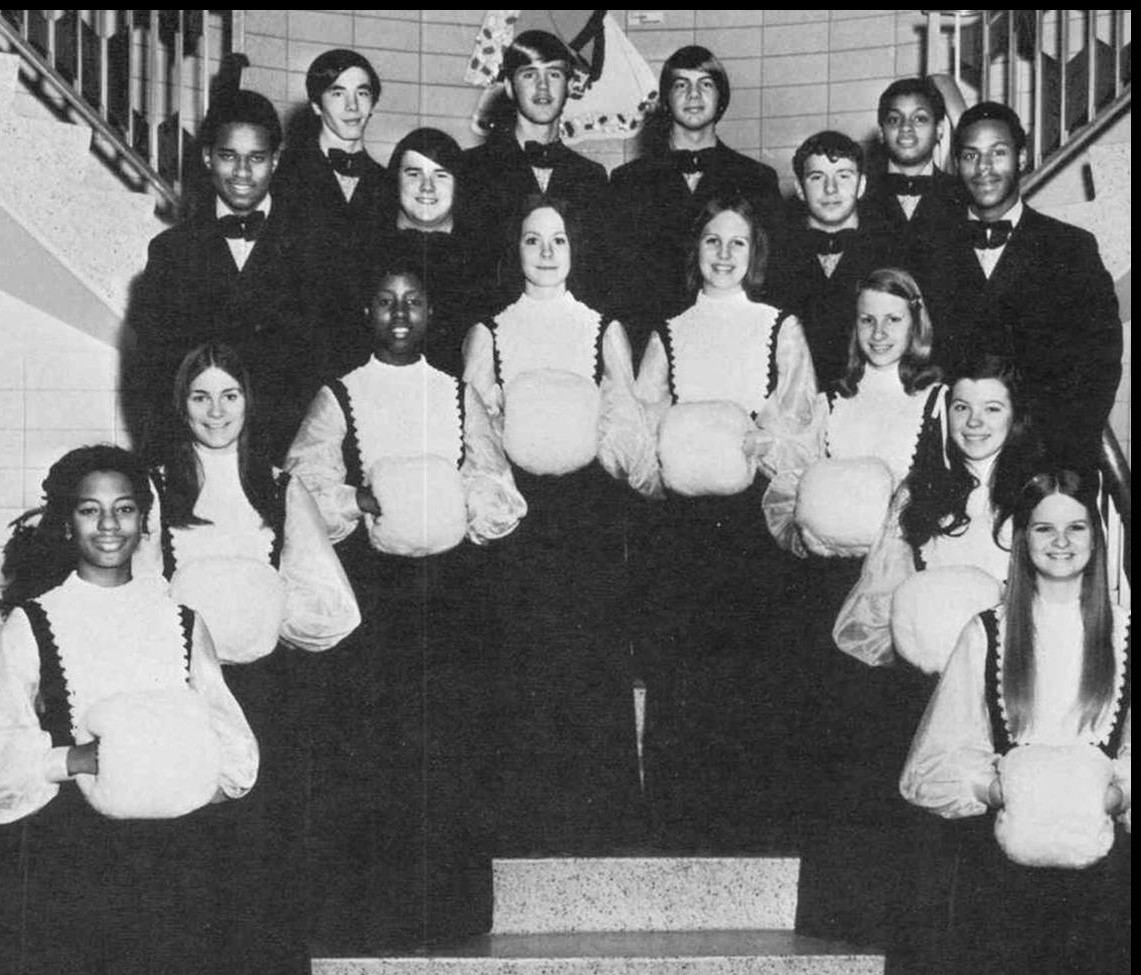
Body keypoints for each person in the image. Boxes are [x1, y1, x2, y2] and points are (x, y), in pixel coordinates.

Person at [288, 262, 525, 950]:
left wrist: (454, 499)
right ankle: (378, 915)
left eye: (413, 301)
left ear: (430, 313)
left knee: (448, 747)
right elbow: (304, 483)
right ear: (367, 312)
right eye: (386, 302)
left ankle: (451, 913)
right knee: (377, 749)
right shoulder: (340, 394)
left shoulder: (455, 393)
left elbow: (495, 482)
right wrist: (363, 498)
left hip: (450, 595)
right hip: (375, 598)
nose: (399, 314)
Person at [137, 343, 360, 972]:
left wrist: (261, 607)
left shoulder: (279, 485)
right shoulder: (155, 486)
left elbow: (329, 598)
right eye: (201, 396)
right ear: (181, 405)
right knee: (192, 845)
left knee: (267, 848)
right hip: (186, 694)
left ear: (247, 402)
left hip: (267, 695)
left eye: (229, 396)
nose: (216, 411)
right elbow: (142, 590)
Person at [0, 445, 258, 975]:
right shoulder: (34, 621)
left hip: (178, 856)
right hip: (75, 853)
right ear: (66, 523)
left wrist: (190, 781)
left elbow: (232, 740)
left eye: (123, 509)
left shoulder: (181, 619)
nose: (108, 524)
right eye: (89, 509)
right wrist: (74, 760)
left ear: (143, 521)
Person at [463, 194, 655, 855]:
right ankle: (523, 823)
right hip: (518, 515)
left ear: (576, 249)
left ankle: (598, 823)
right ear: (513, 248)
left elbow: (625, 423)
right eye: (532, 239)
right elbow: (474, 429)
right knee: (521, 659)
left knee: (589, 659)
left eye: (558, 240)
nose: (546, 253)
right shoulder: (489, 331)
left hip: (587, 515)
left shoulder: (603, 329)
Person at [761, 267, 945, 950]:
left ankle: (898, 915)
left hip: (903, 591)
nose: (879, 332)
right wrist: (807, 527)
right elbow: (789, 491)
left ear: (915, 324)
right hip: (831, 592)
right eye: (867, 319)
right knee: (837, 749)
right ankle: (836, 912)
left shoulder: (937, 400)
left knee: (895, 741)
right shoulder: (828, 402)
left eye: (893, 319)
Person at [634, 191, 817, 850]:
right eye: (712, 240)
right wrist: (675, 451)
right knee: (684, 666)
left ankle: (753, 818)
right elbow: (641, 423)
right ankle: (680, 818)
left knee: (752, 666)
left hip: (754, 525)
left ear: (754, 252)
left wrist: (760, 443)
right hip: (684, 527)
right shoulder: (669, 331)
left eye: (737, 242)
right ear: (696, 250)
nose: (724, 254)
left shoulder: (779, 326)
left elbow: (800, 419)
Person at [900, 467, 1131, 975]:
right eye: (1045, 528)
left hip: (1106, 878)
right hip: (1005, 876)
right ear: (1024, 539)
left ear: (1096, 537)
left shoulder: (1125, 634)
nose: (1061, 541)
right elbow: (935, 762)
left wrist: (1114, 797)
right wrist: (998, 791)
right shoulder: (987, 633)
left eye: (1075, 527)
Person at [926, 101, 1121, 466]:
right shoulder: (930, 251)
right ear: (956, 163)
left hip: (1046, 462)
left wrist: (1064, 462)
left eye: (998, 153)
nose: (983, 168)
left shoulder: (1071, 248)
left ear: (1021, 157)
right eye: (970, 155)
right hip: (952, 463)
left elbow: (1100, 362)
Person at [129, 89, 316, 462]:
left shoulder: (314, 249)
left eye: (256, 158)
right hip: (197, 458)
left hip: (286, 456)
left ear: (276, 160)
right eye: (228, 156)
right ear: (207, 157)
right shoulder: (170, 251)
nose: (242, 172)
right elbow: (155, 376)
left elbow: (322, 371)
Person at [834, 354, 1043, 667]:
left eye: (992, 409)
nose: (973, 422)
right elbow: (882, 605)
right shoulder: (916, 492)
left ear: (1015, 416)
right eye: (961, 407)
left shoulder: (1040, 495)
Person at [608, 44, 784, 353]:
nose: (693, 95)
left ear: (721, 98)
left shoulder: (757, 179)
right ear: (665, 99)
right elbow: (617, 281)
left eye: (705, 84)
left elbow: (772, 275)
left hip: (733, 342)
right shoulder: (627, 181)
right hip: (651, 343)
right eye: (681, 85)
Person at [463, 29, 611, 311]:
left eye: (554, 74)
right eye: (529, 74)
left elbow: (599, 276)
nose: (543, 87)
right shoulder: (471, 169)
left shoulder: (592, 177)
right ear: (509, 87)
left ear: (570, 85)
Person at [272, 48, 394, 375]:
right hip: (294, 362)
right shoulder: (281, 176)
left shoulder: (389, 185)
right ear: (316, 105)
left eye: (362, 93)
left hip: (367, 365)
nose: (352, 106)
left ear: (373, 103)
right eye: (337, 93)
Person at [765, 130, 901, 388]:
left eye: (843, 176)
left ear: (862, 185)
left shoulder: (892, 251)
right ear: (800, 188)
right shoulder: (774, 256)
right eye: (817, 177)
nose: (831, 189)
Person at [375, 127, 484, 376]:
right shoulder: (365, 251)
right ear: (395, 179)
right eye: (414, 174)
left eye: (441, 175)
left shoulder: (483, 258)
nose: (427, 187)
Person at [861, 77, 961, 262]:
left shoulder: (962, 196)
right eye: (894, 119)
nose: (906, 127)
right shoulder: (860, 194)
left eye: (920, 119)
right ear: (882, 132)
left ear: (939, 130)